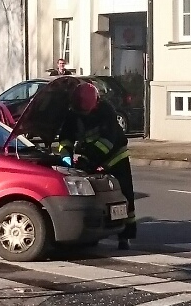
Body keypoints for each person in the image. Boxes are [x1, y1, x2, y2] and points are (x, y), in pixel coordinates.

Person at [57, 82, 136, 250]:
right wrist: (65, 156)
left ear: (96, 103)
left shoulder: (106, 111)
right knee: (95, 197)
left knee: (124, 196)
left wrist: (87, 160)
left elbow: (106, 142)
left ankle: (125, 236)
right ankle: (95, 230)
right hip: (92, 157)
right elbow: (66, 138)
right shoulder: (73, 114)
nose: (84, 115)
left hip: (116, 157)